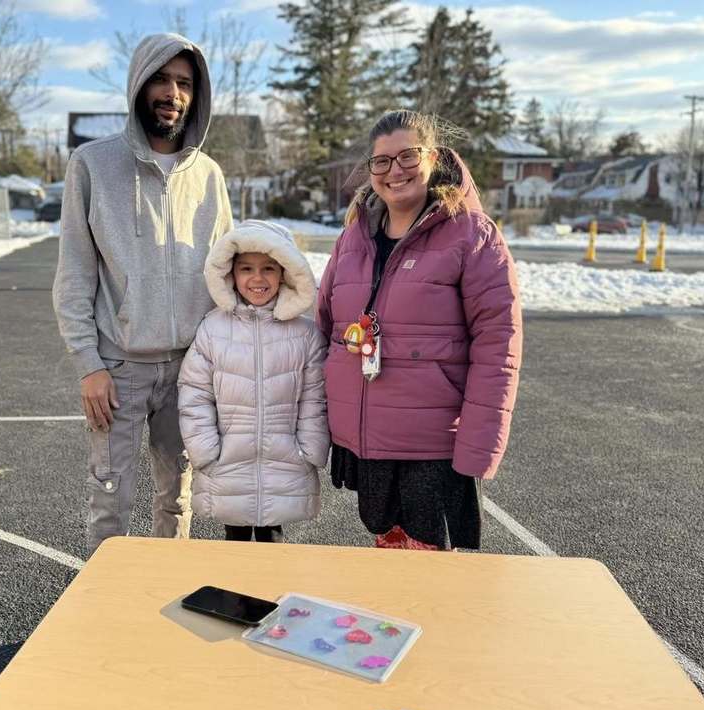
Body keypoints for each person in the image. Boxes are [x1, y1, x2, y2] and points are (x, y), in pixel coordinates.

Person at [54, 33, 233, 558]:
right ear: (138, 83)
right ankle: (101, 613)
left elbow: (226, 274)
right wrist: (89, 365)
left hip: (190, 370)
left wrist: (222, 360)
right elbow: (74, 277)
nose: (172, 93)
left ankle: (165, 599)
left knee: (178, 500)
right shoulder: (91, 165)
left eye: (183, 83)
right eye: (160, 78)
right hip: (118, 371)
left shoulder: (210, 176)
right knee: (111, 499)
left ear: (196, 96)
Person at [316, 109, 522, 551]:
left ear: (433, 157)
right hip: (369, 438)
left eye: (407, 157)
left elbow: (498, 347)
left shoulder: (471, 234)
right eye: (382, 161)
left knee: (434, 581)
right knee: (388, 562)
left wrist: (479, 446)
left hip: (433, 450)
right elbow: (325, 325)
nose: (395, 171)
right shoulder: (354, 235)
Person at [178, 220, 328, 543]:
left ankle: (269, 596)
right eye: (246, 268)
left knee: (273, 550)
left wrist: (310, 448)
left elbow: (315, 398)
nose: (257, 279)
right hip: (228, 463)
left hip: (285, 461)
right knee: (235, 555)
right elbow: (194, 394)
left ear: (285, 273)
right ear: (231, 274)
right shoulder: (213, 329)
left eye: (268, 269)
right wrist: (206, 451)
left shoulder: (304, 334)